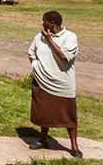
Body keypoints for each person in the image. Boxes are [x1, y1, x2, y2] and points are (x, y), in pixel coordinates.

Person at [28, 10, 81, 158]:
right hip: (43, 81)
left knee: (68, 115)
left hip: (63, 83)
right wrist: (37, 68)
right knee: (44, 112)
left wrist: (50, 40)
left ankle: (74, 146)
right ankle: (43, 140)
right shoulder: (39, 36)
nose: (42, 23)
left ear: (52, 23)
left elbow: (65, 56)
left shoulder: (70, 37)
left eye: (44, 21)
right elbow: (31, 52)